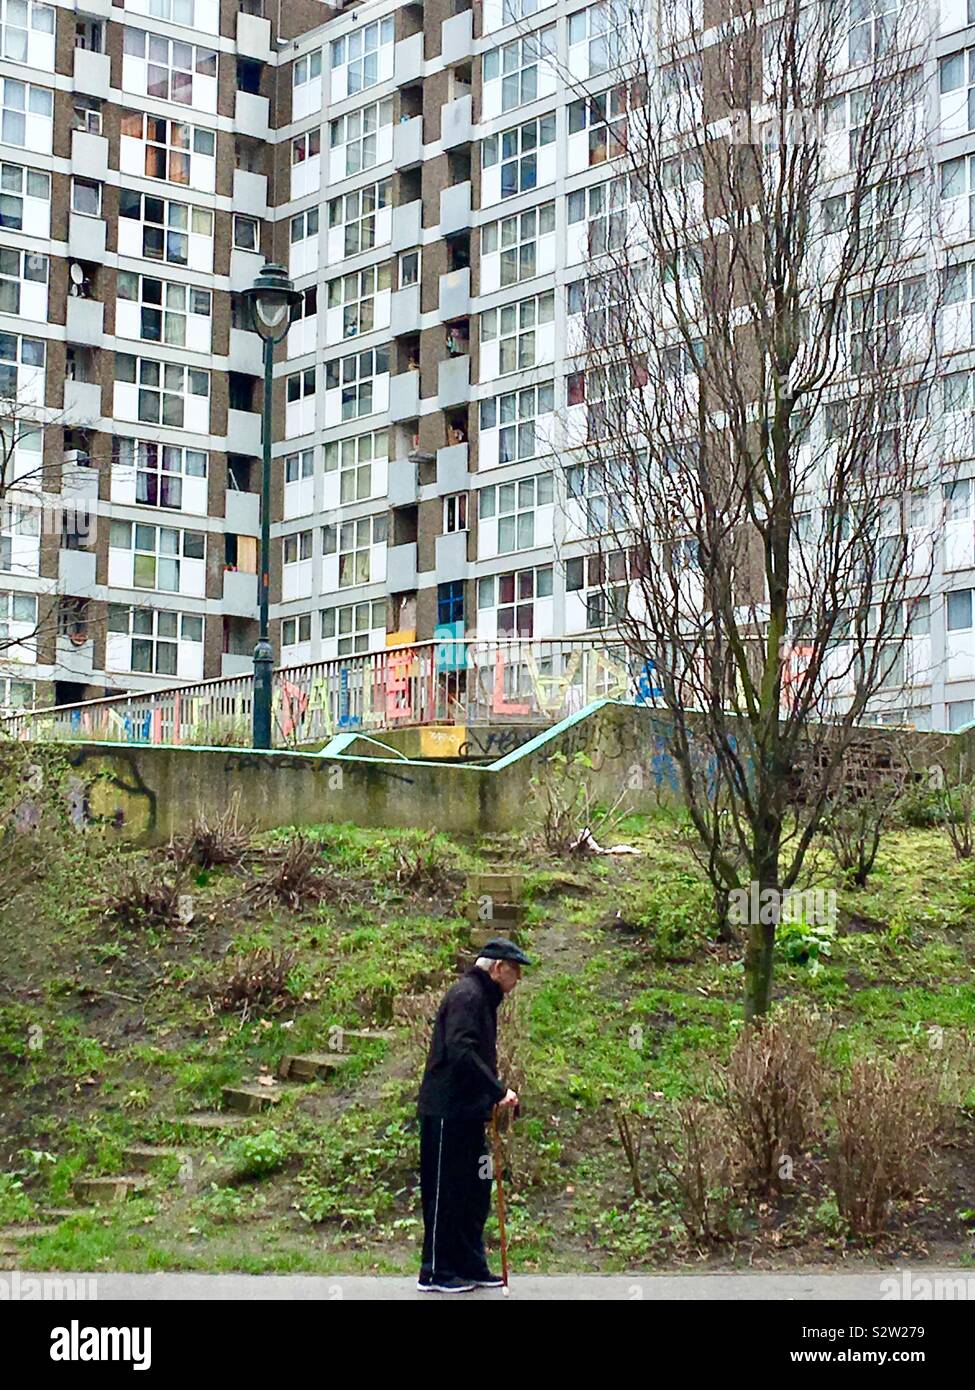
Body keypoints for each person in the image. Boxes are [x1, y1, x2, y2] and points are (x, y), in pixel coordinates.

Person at [416, 936, 530, 1293]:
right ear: (497, 968)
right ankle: (435, 1271)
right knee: (445, 1190)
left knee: (474, 1190)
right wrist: (497, 1090)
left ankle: (469, 1262)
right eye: (515, 972)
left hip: (469, 1111)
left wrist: (487, 1099)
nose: (517, 981)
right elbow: (461, 1052)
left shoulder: (484, 999)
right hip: (446, 1110)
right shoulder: (467, 996)